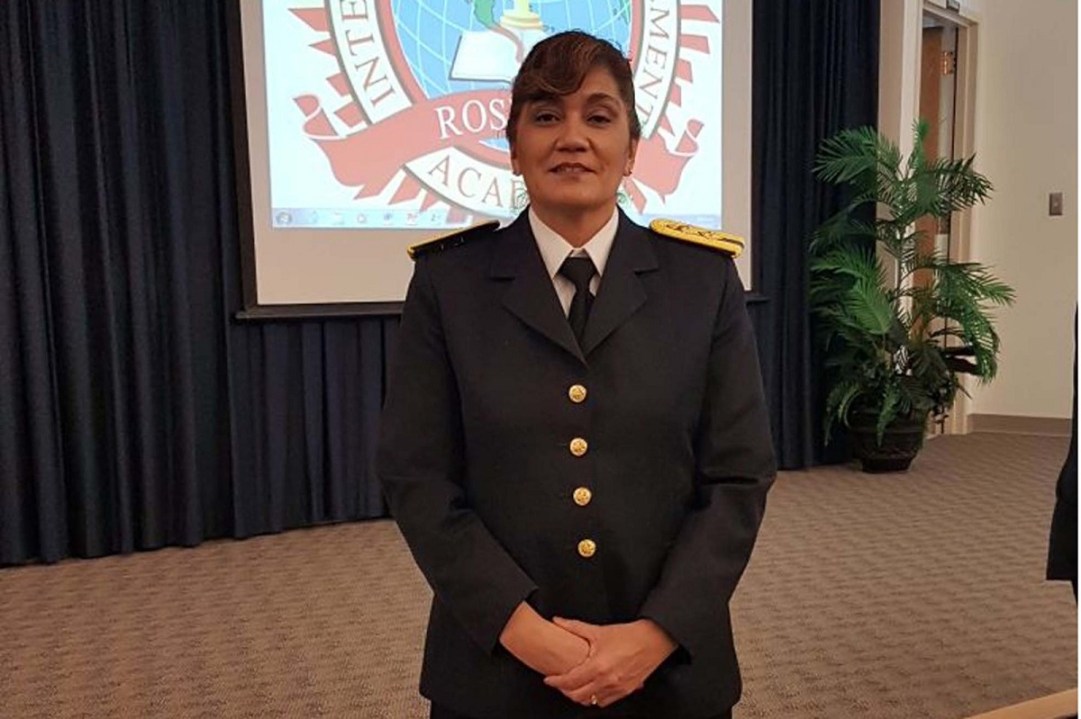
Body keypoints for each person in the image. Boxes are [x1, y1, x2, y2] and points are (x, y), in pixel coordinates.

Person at [377, 31, 776, 719]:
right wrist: (527, 635)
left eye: (598, 116)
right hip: (498, 671)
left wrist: (654, 635)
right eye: (545, 116)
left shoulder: (702, 281)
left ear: (631, 150)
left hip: (669, 673)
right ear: (512, 148)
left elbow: (737, 478)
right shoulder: (449, 284)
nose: (572, 138)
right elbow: (419, 479)